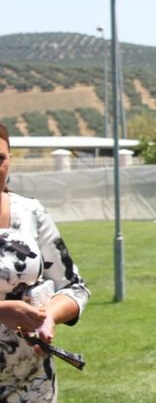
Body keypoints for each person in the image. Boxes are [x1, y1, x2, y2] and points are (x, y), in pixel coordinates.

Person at [0, 123, 90, 401]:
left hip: (31, 384)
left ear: (10, 158)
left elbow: (74, 288)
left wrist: (48, 317)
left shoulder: (30, 213)